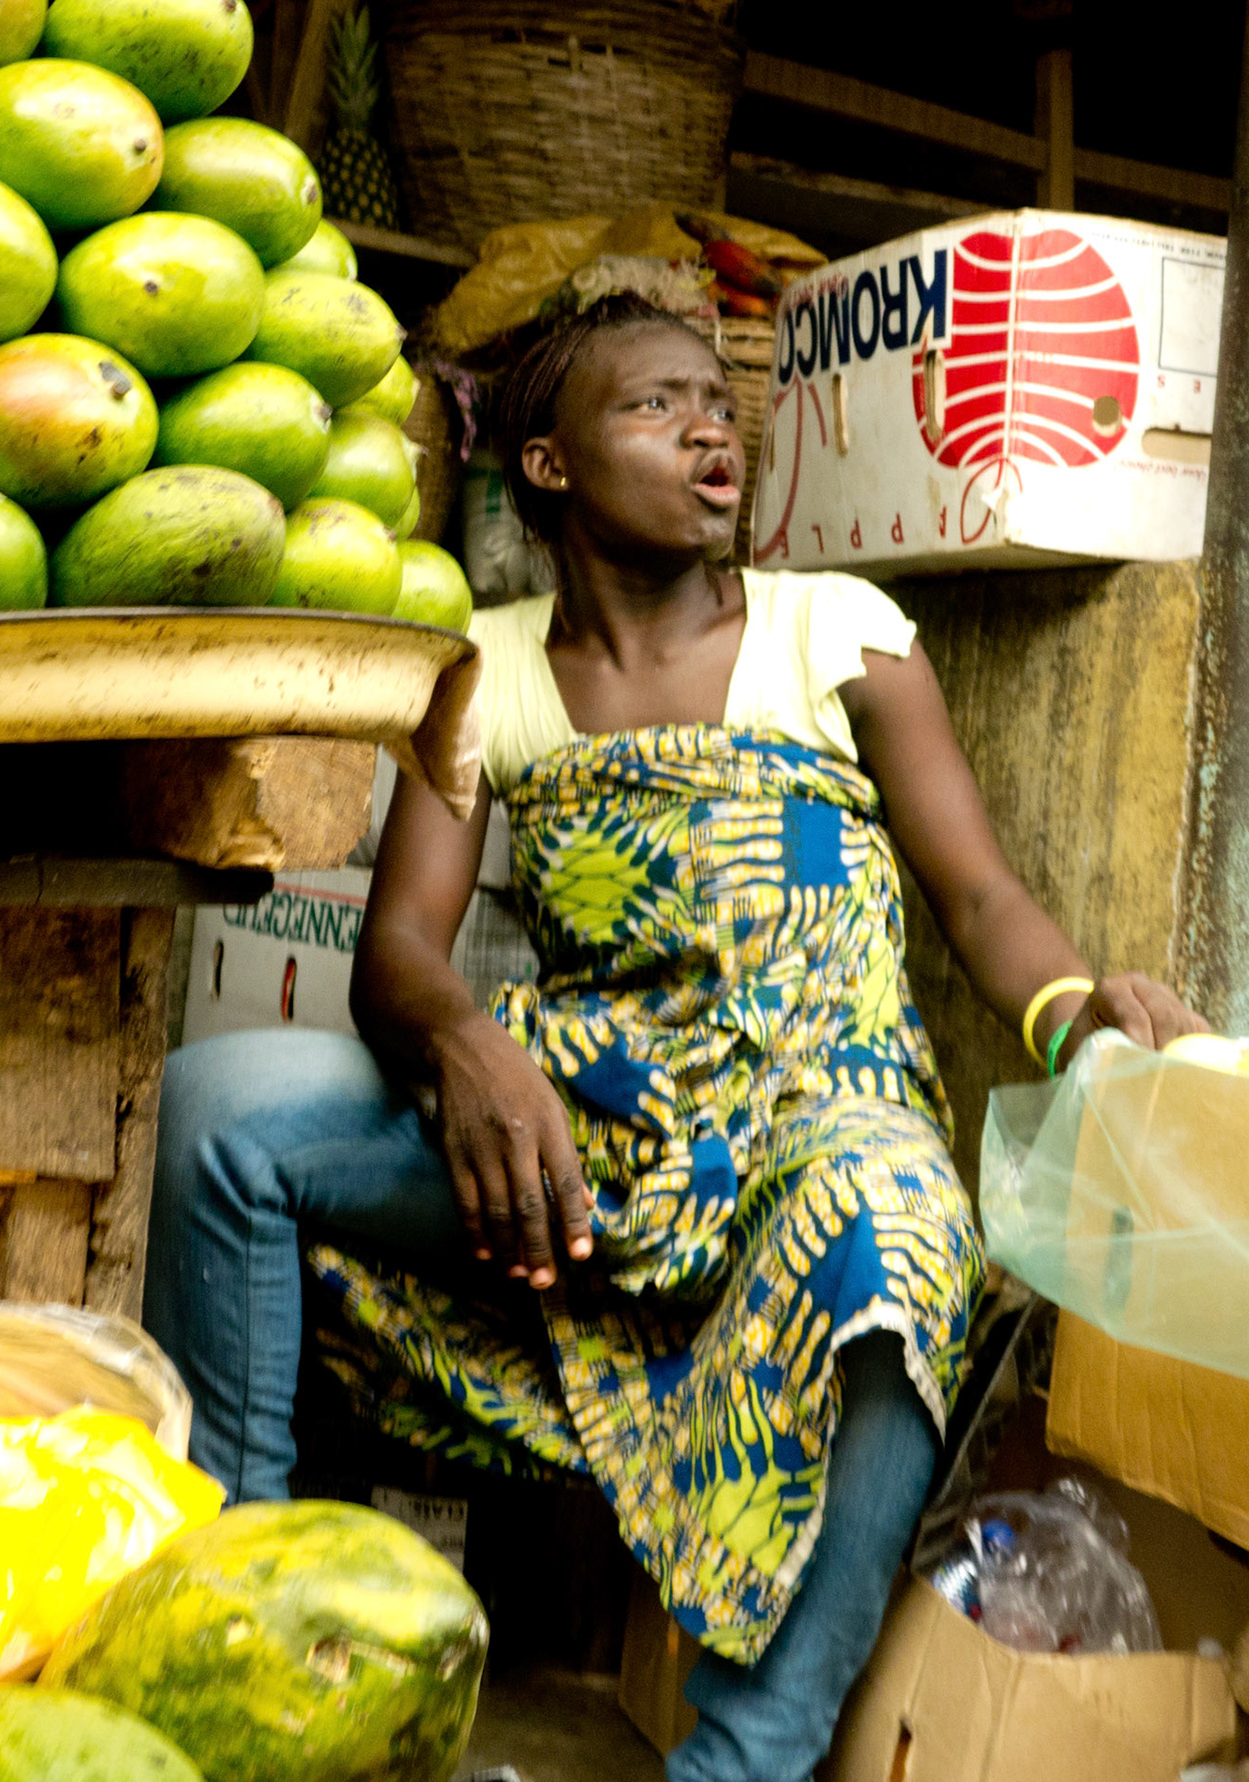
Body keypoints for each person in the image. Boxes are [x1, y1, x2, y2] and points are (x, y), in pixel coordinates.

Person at [143, 294, 1206, 1782]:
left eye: (719, 402)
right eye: (657, 406)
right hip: (581, 1131)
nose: (712, 427)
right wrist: (470, 1046)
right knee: (220, 1106)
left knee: (899, 1229)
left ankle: (742, 1762)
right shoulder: (486, 665)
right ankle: (235, 1614)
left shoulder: (838, 633)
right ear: (550, 465)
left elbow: (977, 896)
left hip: (806, 1125)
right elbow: (397, 951)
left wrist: (1082, 1012)